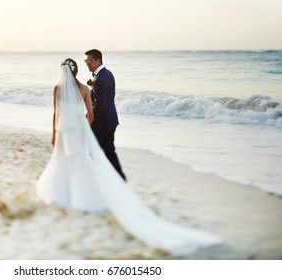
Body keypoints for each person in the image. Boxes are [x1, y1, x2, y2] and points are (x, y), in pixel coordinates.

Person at [36, 58, 219, 255]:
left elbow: (56, 114)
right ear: (77, 70)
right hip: (77, 130)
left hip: (63, 129)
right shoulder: (84, 90)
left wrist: (54, 133)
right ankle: (84, 196)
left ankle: (64, 194)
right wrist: (86, 128)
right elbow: (90, 114)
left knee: (64, 160)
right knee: (81, 161)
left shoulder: (57, 89)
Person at [84, 49, 126, 180]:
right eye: (86, 61)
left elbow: (100, 105)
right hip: (111, 120)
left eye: (89, 61)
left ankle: (97, 180)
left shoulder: (99, 79)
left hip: (101, 123)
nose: (87, 64)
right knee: (109, 152)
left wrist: (89, 118)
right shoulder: (108, 73)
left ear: (98, 60)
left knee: (93, 152)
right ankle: (120, 178)